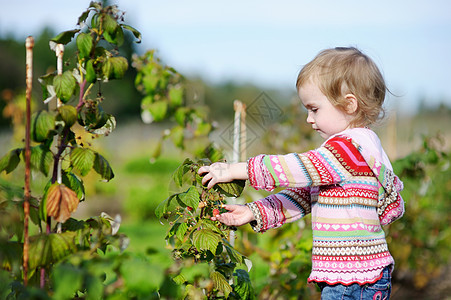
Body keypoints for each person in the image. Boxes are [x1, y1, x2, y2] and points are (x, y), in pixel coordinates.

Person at [198, 47, 404, 300]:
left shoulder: (350, 149)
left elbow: (296, 167)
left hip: (354, 280)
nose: (309, 118)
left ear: (350, 104)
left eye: (314, 109)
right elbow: (304, 197)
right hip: (354, 276)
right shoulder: (351, 152)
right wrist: (254, 211)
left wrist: (235, 169)